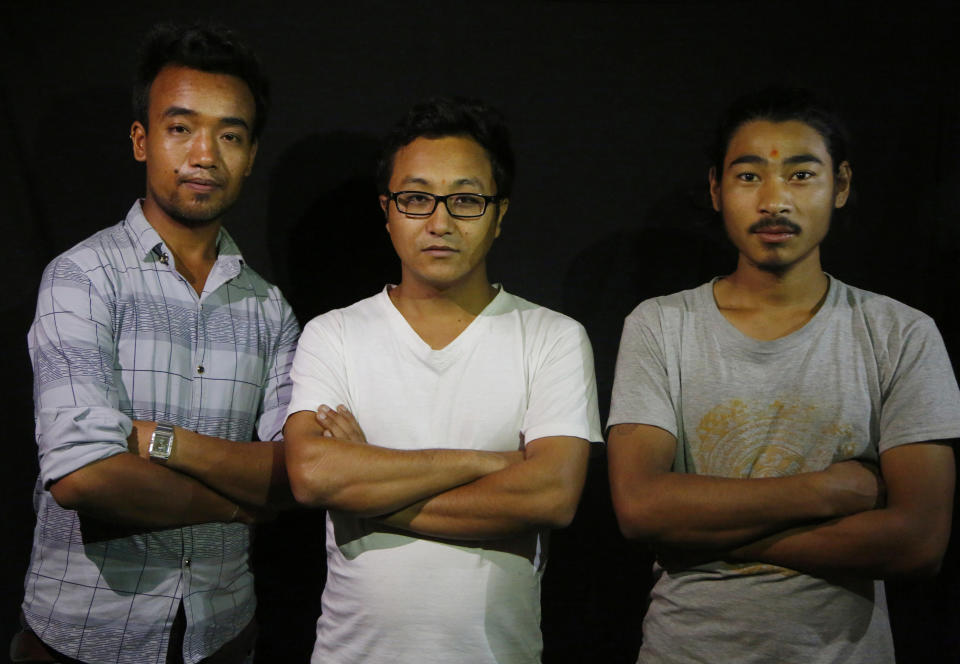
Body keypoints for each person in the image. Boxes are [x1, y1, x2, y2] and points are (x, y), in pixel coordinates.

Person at [607, 88, 960, 663]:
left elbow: (918, 542)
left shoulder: (901, 333)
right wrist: (831, 490)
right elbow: (643, 507)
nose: (774, 201)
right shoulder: (661, 325)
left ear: (840, 186)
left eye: (800, 175)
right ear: (717, 190)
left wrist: (706, 536)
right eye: (749, 177)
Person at [12, 23, 299, 664]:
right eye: (180, 128)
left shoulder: (270, 308)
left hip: (224, 633)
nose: (205, 154)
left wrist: (152, 441)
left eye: (230, 135)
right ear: (142, 140)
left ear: (250, 155)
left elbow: (293, 473)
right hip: (81, 637)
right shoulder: (80, 276)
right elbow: (86, 476)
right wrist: (235, 508)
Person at [283, 97, 602, 664]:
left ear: (500, 214)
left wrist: (369, 493)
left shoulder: (552, 338)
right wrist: (493, 463)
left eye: (465, 200)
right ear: (387, 210)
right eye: (415, 198)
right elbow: (312, 475)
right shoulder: (333, 335)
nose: (439, 221)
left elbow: (552, 494)